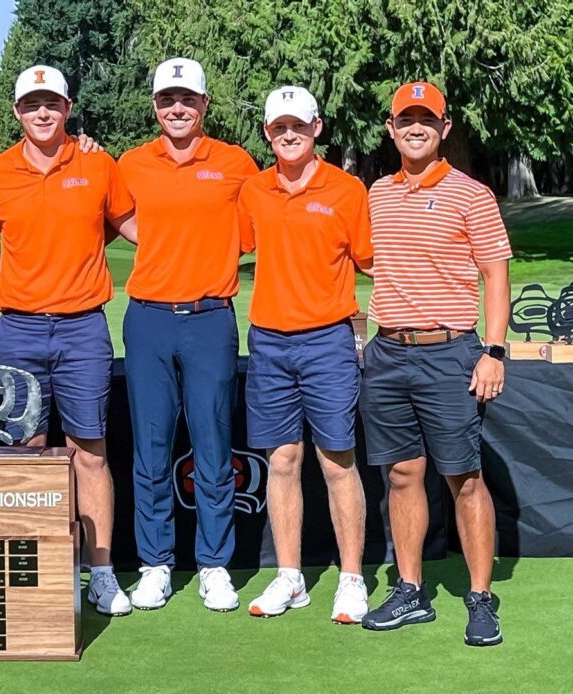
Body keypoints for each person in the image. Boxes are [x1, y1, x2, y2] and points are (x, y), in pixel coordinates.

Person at [0, 64, 138, 616]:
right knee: (25, 452)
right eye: (31, 105)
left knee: (89, 451)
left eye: (52, 104)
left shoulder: (97, 163)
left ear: (68, 109)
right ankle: (37, 568)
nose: (42, 113)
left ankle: (100, 571)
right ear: (17, 113)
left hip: (82, 327)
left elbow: (131, 223)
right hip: (18, 329)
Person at [360, 82, 510, 647]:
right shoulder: (377, 193)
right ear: (391, 128)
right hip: (388, 351)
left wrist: (494, 350)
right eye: (406, 119)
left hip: (451, 353)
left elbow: (495, 274)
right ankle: (411, 591)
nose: (416, 128)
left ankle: (479, 598)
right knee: (402, 475)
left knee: (464, 479)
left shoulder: (472, 194)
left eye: (428, 119)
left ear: (445, 129)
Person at [117, 58, 258, 611]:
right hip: (148, 317)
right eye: (167, 100)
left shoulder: (233, 161)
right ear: (154, 106)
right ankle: (155, 564)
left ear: (203, 105)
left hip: (210, 318)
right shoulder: (130, 163)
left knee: (214, 444)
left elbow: (253, 228)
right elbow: (112, 214)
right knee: (151, 448)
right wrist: (156, 240)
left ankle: (214, 564)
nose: (177, 109)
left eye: (188, 100)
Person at [237, 86, 373, 623]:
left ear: (317, 128)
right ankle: (290, 577)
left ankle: (352, 579)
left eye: (298, 125)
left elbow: (369, 260)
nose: (288, 134)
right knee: (282, 460)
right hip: (269, 340)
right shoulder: (252, 190)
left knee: (337, 460)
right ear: (268, 133)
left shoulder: (347, 189)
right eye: (277, 128)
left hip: (327, 340)